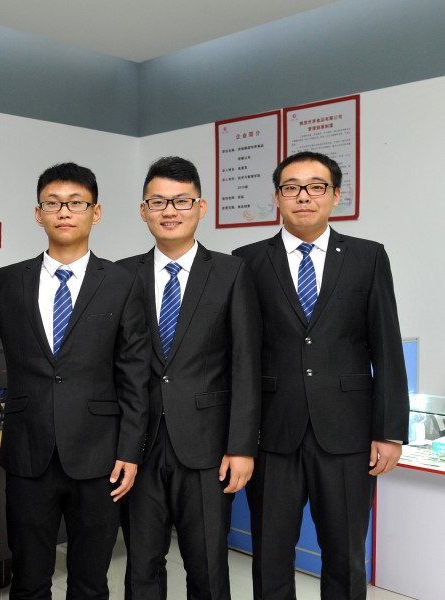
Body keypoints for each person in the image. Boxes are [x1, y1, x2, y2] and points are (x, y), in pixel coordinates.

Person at [0, 162, 150, 600]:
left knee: (90, 583)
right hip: (29, 453)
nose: (64, 211)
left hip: (101, 456)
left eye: (76, 203)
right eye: (53, 203)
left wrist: (130, 451)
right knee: (29, 581)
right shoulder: (10, 281)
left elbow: (135, 374)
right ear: (38, 213)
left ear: (95, 213)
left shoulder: (122, 283)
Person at [233, 151, 409, 599]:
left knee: (345, 554)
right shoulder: (246, 261)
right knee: (270, 554)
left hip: (349, 433)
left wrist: (390, 431)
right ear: (277, 198)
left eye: (316, 187)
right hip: (272, 433)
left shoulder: (368, 257)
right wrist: (238, 439)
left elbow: (387, 347)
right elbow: (241, 354)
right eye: (291, 187)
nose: (304, 196)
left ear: (335, 195)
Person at [118, 156, 261, 599]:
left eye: (181, 201)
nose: (169, 211)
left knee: (207, 564)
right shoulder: (121, 275)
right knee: (141, 564)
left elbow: (246, 363)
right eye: (158, 201)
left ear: (201, 207)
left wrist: (241, 446)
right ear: (143, 210)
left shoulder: (231, 272)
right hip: (138, 445)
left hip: (208, 446)